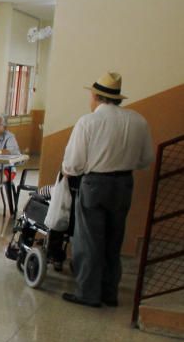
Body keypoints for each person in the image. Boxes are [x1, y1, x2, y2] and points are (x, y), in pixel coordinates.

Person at [61, 72, 154, 308]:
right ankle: (109, 292)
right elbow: (145, 160)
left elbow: (73, 164)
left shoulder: (88, 122)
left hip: (95, 184)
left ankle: (88, 293)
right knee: (115, 239)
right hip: (124, 184)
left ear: (95, 96)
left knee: (89, 241)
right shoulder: (138, 120)